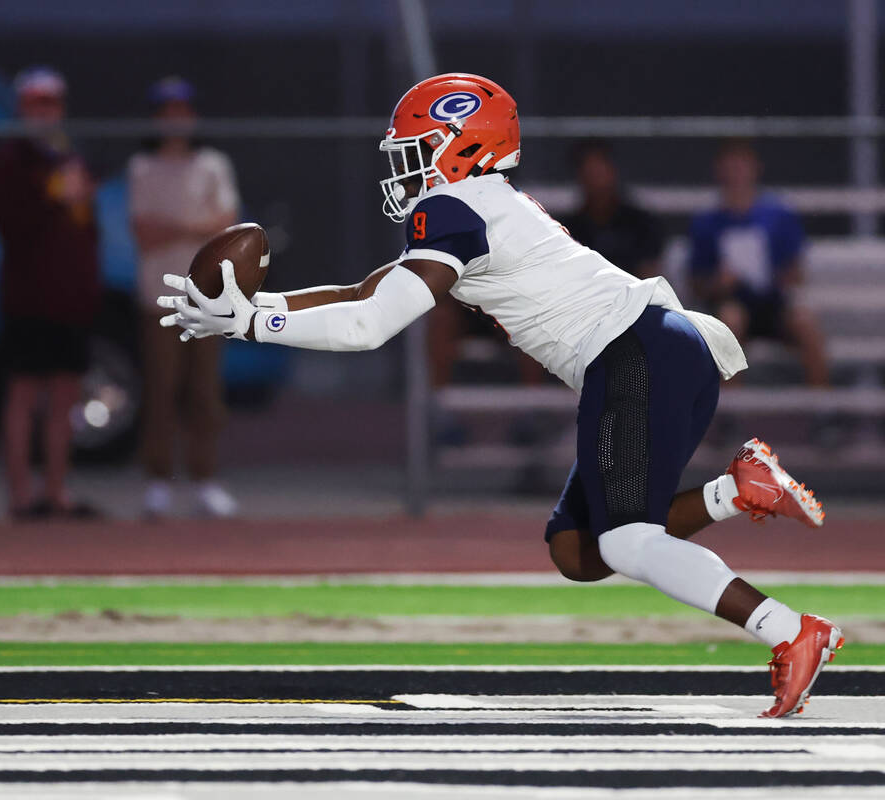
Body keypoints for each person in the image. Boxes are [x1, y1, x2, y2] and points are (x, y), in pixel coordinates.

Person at [159, 73, 839, 718]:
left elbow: (369, 325)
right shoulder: (476, 205)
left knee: (630, 541)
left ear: (462, 144)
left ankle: (791, 631)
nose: (405, 166)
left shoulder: (453, 207)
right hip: (657, 346)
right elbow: (366, 293)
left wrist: (252, 321)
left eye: (418, 149)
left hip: (634, 353)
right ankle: (738, 490)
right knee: (577, 550)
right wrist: (250, 308)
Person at [0, 66, 100, 519]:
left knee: (65, 394)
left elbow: (87, 228)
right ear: (21, 108)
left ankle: (56, 492)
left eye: (50, 104)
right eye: (35, 103)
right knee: (23, 394)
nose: (44, 112)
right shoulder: (10, 161)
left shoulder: (70, 156)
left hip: (71, 297)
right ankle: (20, 495)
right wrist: (56, 198)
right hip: (29, 296)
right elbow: (11, 226)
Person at [129, 76, 240, 518]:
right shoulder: (142, 167)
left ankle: (205, 478)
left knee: (204, 392)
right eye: (167, 112)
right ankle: (157, 481)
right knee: (160, 389)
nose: (175, 120)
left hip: (206, 296)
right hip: (157, 296)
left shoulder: (213, 164)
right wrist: (196, 226)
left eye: (182, 111)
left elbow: (227, 224)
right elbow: (143, 233)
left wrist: (173, 226)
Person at [688, 139, 829, 386]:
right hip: (731, 302)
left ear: (755, 168)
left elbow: (796, 272)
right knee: (730, 321)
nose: (736, 173)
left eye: (742, 165)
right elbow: (696, 283)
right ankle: (731, 416)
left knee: (805, 322)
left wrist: (775, 275)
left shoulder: (779, 215)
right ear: (718, 171)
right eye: (730, 166)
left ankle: (825, 410)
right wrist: (718, 283)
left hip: (773, 302)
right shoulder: (706, 222)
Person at [561, 138, 665, 280]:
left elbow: (649, 274)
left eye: (600, 172)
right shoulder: (568, 230)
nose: (596, 181)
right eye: (589, 173)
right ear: (580, 178)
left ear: (613, 172)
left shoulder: (643, 223)